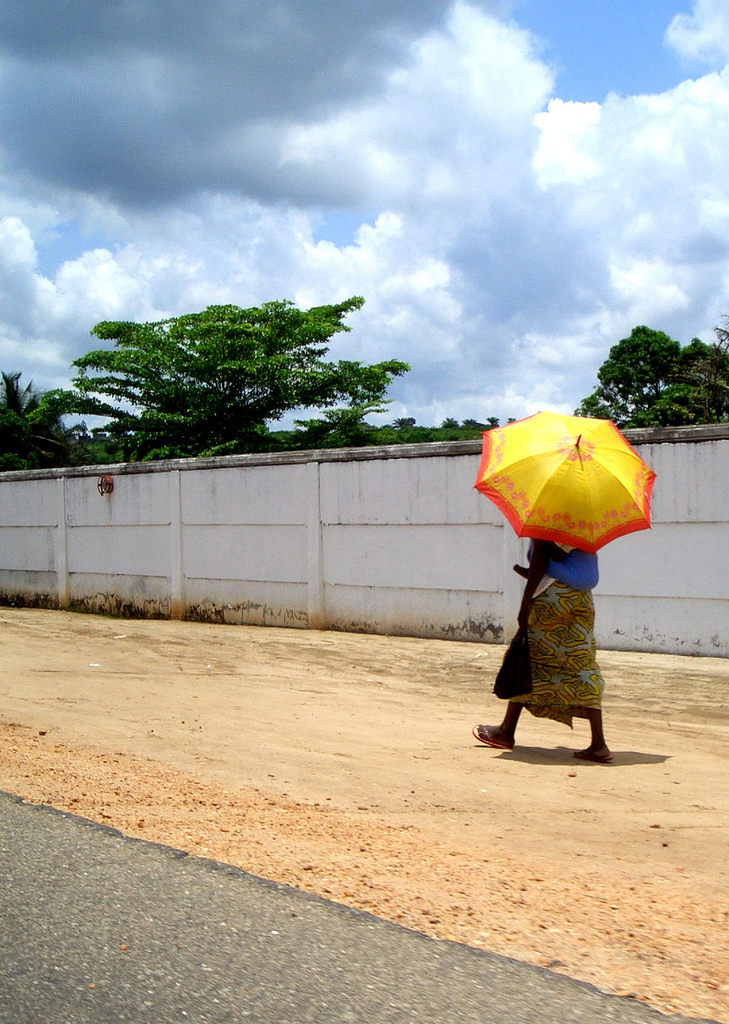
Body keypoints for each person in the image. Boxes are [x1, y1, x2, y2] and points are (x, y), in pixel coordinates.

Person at [472, 538, 612, 763]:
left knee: (530, 657)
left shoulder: (547, 514)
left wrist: (525, 602)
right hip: (582, 599)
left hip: (551, 598)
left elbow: (542, 555)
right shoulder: (584, 518)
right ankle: (599, 743)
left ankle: (506, 731)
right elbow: (561, 555)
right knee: (581, 662)